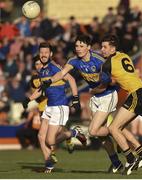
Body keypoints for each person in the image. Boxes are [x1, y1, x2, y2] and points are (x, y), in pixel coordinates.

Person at [47, 34, 124, 173]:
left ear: (89, 47)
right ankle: (116, 163)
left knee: (93, 130)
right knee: (101, 136)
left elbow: (114, 75)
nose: (78, 48)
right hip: (95, 97)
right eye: (77, 46)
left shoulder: (100, 59)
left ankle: (117, 131)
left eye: (82, 46)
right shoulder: (74, 60)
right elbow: (63, 73)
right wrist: (50, 80)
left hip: (108, 95)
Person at [22, 42, 87, 173]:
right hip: (49, 107)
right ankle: (49, 164)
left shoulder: (54, 67)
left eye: (46, 52)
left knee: (50, 140)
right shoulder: (42, 70)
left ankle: (74, 133)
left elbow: (72, 80)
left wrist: (75, 98)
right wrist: (28, 99)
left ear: (51, 54)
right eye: (41, 53)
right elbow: (41, 89)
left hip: (60, 107)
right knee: (41, 137)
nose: (43, 55)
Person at [100, 34, 142, 175]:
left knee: (113, 128)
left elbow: (103, 83)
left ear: (113, 49)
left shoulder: (107, 64)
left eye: (105, 47)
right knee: (120, 128)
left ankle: (130, 159)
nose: (102, 50)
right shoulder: (124, 55)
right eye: (101, 47)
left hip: (137, 94)